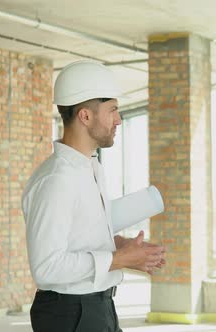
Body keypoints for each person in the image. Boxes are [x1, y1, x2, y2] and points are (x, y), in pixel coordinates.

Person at [22, 60, 166, 332]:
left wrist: (121, 246)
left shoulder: (92, 168)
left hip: (97, 308)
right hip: (70, 314)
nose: (119, 120)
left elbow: (78, 236)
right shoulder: (56, 180)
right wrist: (119, 259)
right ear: (85, 116)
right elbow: (47, 266)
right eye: (112, 110)